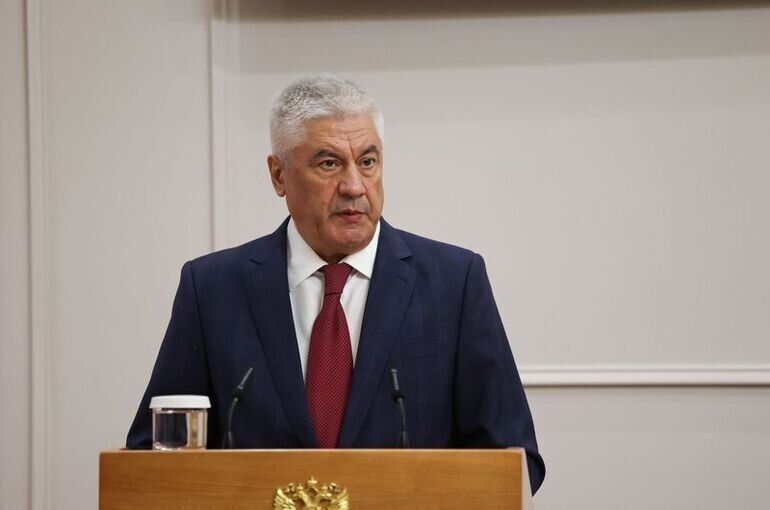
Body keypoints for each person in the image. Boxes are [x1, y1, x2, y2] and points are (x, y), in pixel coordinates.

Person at [127, 74, 545, 493]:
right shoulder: (212, 288)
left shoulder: (454, 282)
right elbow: (153, 456)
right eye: (329, 163)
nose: (354, 186)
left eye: (368, 161)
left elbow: (512, 457)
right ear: (278, 175)